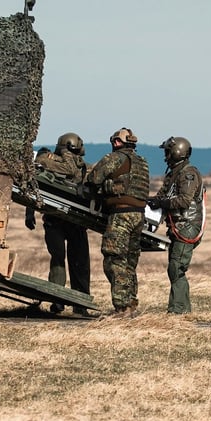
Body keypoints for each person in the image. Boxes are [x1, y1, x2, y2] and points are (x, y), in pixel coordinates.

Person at [86, 127, 150, 318]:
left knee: (114, 260)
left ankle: (121, 308)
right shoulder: (142, 162)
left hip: (121, 215)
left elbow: (94, 178)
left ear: (116, 142)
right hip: (139, 216)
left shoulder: (114, 158)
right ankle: (130, 304)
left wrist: (103, 187)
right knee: (130, 261)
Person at [25, 133, 91, 315]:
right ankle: (60, 301)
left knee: (74, 262)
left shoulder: (81, 166)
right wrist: (29, 212)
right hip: (58, 220)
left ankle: (78, 303)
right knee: (62, 261)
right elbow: (35, 184)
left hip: (72, 221)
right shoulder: (47, 159)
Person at [148, 136, 205, 315]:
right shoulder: (173, 174)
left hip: (187, 226)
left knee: (176, 267)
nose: (165, 156)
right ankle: (181, 309)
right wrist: (148, 201)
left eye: (167, 152)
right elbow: (162, 196)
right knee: (174, 267)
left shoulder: (188, 174)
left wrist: (161, 203)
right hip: (177, 227)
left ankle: (178, 310)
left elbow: (184, 200)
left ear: (176, 152)